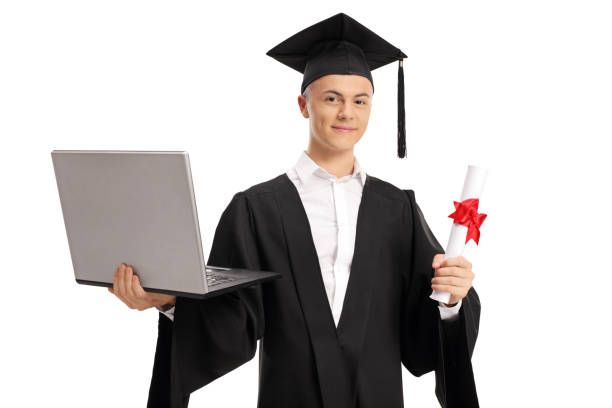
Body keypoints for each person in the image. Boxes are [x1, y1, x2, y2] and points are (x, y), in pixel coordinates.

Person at [108, 12, 481, 408]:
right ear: (304, 105)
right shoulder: (255, 210)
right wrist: (168, 302)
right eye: (331, 98)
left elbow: (424, 330)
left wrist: (453, 301)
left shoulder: (398, 208)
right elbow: (230, 324)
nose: (347, 113)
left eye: (360, 100)